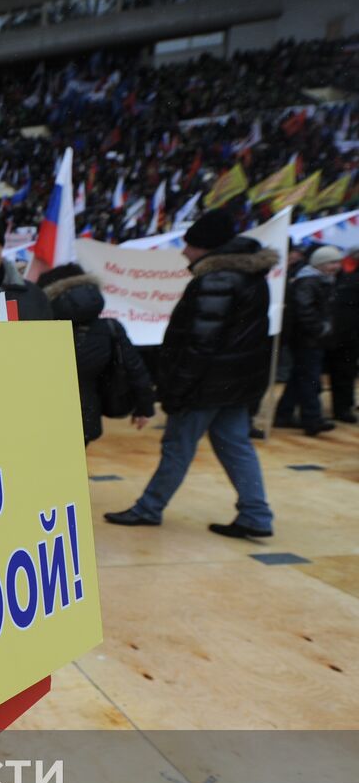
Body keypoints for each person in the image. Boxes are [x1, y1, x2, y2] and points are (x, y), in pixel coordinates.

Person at [105, 209, 277, 539]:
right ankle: (256, 514)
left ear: (208, 248)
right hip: (233, 384)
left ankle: (148, 508)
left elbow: (200, 344)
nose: (184, 252)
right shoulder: (252, 276)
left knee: (177, 446)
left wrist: (176, 389)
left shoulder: (215, 281)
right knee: (236, 445)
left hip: (205, 385)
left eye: (190, 245)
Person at [38, 264, 154, 444]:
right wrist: (145, 407)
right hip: (87, 416)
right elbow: (135, 369)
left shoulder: (39, 327)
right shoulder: (109, 327)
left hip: (46, 416)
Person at [275, 245, 342, 435]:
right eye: (331, 262)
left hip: (313, 339)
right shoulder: (309, 282)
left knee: (300, 377)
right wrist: (320, 328)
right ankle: (312, 419)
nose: (336, 266)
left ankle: (284, 414)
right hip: (308, 339)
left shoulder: (323, 281)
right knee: (310, 379)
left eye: (337, 262)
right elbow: (304, 311)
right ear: (319, 264)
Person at [329, 248, 359, 423]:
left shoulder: (346, 279)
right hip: (346, 334)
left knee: (344, 373)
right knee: (344, 372)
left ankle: (344, 407)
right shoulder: (349, 280)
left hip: (344, 333)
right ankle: (343, 408)